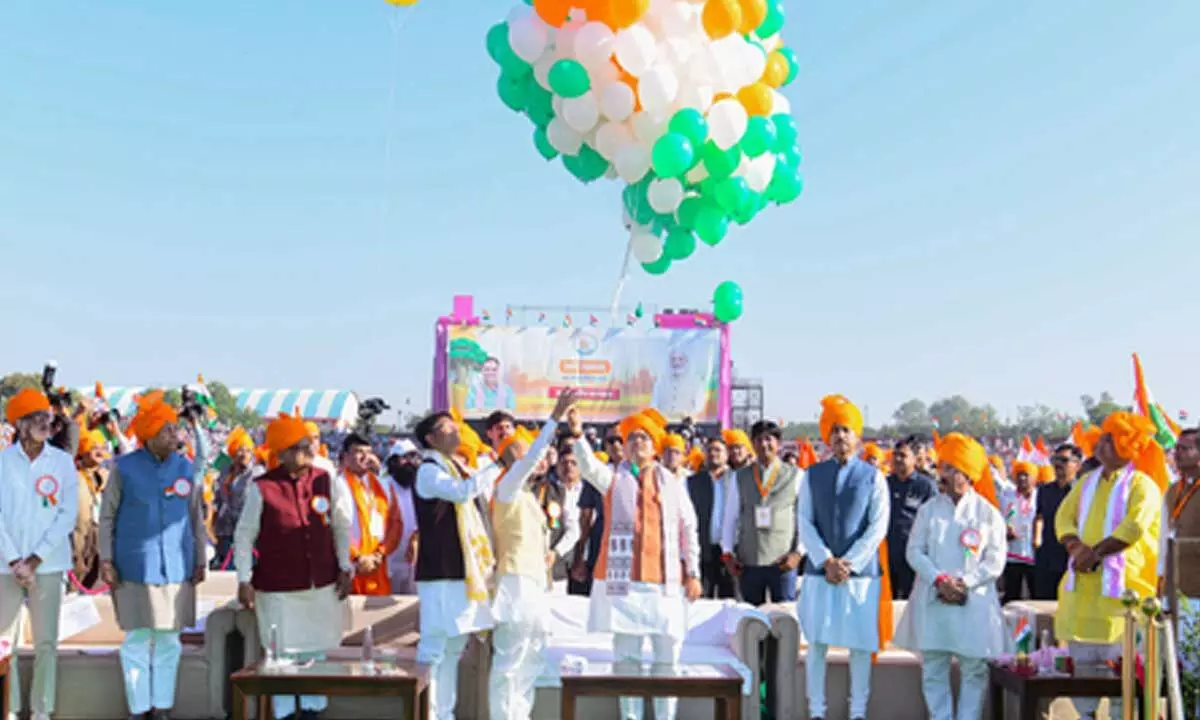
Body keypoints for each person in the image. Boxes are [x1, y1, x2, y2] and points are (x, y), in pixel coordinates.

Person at [565, 402, 703, 720]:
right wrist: (577, 433)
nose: (637, 442)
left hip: (664, 584)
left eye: (644, 437)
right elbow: (588, 466)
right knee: (626, 661)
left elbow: (689, 528)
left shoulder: (672, 482)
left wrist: (694, 572)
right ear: (624, 447)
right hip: (624, 586)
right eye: (631, 438)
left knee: (667, 659)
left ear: (655, 447)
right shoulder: (613, 478)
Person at [234, 412, 354, 720]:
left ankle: (313, 712)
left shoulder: (326, 480)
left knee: (315, 653)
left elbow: (341, 526)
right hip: (278, 588)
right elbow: (244, 535)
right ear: (283, 453)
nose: (309, 451)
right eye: (299, 447)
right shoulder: (263, 487)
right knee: (282, 656)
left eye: (308, 445)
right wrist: (244, 579)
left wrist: (345, 567)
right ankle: (285, 714)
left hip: (320, 584)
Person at [98, 392, 209, 720]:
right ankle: (139, 709)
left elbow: (195, 517)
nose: (175, 435)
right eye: (167, 430)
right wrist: (106, 559)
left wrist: (200, 558)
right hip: (134, 566)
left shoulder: (185, 467)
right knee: (137, 639)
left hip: (177, 566)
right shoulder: (124, 468)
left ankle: (161, 708)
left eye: (176, 429)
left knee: (169, 640)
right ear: (149, 435)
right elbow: (107, 516)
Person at [1055, 412, 1166, 720]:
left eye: (1108, 439)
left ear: (1127, 446)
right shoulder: (1086, 482)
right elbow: (1063, 517)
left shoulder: (1143, 486)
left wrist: (1095, 554)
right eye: (1101, 438)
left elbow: (1134, 527)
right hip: (1083, 602)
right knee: (1084, 679)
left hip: (1124, 602)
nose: (1099, 444)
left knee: (1123, 687)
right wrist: (1076, 548)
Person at [894, 433, 1006, 720]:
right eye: (943, 467)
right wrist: (940, 580)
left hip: (973, 603)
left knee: (974, 670)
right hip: (935, 599)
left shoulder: (988, 513)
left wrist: (964, 583)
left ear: (966, 474)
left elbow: (995, 561)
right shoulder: (929, 510)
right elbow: (914, 551)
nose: (942, 474)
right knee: (933, 668)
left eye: (950, 468)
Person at [795, 395, 891, 720]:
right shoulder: (811, 475)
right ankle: (816, 711)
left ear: (857, 436)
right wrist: (826, 561)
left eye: (846, 430)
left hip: (860, 576)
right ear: (827, 436)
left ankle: (858, 712)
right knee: (817, 643)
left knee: (860, 645)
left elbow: (878, 527)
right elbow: (804, 521)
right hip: (819, 572)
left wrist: (849, 563)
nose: (840, 436)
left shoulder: (873, 477)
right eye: (834, 430)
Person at [413, 411, 501, 720]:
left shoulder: (456, 467)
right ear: (430, 439)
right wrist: (497, 465)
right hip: (438, 573)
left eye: (455, 426)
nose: (455, 431)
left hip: (459, 572)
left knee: (453, 648)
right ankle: (427, 713)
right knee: (434, 649)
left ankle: (445, 713)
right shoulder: (429, 471)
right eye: (446, 428)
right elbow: (462, 493)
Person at [0, 389, 79, 720]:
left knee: (46, 642)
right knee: (5, 643)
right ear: (19, 424)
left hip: (48, 565)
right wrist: (13, 559)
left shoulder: (61, 462)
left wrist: (34, 559)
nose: (45, 423)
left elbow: (67, 514)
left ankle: (41, 710)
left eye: (46, 417)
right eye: (36, 418)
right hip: (5, 567)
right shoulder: (3, 461)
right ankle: (9, 708)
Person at [487, 395, 565, 720]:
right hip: (514, 582)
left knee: (532, 658)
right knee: (509, 660)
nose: (537, 459)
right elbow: (530, 459)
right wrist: (555, 418)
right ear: (509, 457)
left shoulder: (530, 497)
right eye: (524, 452)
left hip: (536, 585)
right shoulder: (506, 487)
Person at [720, 419, 802, 604]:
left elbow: (804, 518)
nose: (764, 444)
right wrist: (728, 553)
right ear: (753, 444)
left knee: (783, 615)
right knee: (751, 616)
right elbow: (730, 517)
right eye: (758, 440)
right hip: (749, 561)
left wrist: (798, 553)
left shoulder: (796, 475)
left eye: (768, 439)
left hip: (783, 561)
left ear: (778, 443)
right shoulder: (740, 477)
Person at [339, 433, 403, 595]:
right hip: (348, 565)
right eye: (359, 452)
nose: (365, 457)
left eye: (368, 452)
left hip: (378, 564)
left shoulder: (384, 486)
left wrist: (379, 554)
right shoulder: (335, 486)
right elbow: (331, 527)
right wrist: (357, 557)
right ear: (345, 457)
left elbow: (395, 524)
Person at [1161, 427, 1199, 677]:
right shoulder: (1174, 490)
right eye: (1176, 448)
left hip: (1197, 593)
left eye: (1185, 449)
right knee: (1178, 670)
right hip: (1175, 593)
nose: (1177, 453)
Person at [885, 437, 937, 599]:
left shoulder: (926, 485)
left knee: (912, 599)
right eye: (895, 455)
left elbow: (934, 519)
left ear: (914, 459)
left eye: (903, 455)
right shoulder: (885, 484)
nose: (897, 459)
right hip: (889, 552)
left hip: (914, 554)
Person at [687, 436, 736, 598]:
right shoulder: (692, 482)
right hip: (704, 552)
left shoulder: (737, 479)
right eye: (709, 450)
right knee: (702, 602)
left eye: (718, 450)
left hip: (731, 553)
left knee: (730, 602)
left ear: (727, 455)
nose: (713, 453)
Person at [1033, 443, 1080, 599]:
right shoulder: (1044, 490)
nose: (1058, 464)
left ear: (1077, 465)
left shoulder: (1082, 491)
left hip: (1071, 557)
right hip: (1046, 557)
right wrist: (1036, 539)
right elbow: (1039, 516)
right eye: (1055, 459)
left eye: (1064, 460)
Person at [212, 427, 260, 571]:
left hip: (247, 531)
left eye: (248, 450)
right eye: (240, 450)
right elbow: (218, 498)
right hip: (225, 530)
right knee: (226, 569)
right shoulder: (225, 472)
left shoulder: (256, 474)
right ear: (233, 453)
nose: (244, 454)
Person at [73, 428, 111, 591]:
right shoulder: (73, 474)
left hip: (99, 533)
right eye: (95, 447)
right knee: (76, 578)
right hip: (78, 536)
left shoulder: (107, 475)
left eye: (102, 448)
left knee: (96, 578)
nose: (100, 452)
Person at [383, 439, 422, 595]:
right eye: (404, 458)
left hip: (414, 560)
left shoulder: (420, 487)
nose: (410, 462)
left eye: (413, 457)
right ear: (393, 462)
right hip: (389, 559)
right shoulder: (383, 486)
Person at [999, 460, 1038, 604]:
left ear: (1034, 478)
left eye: (1026, 475)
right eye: (1019, 474)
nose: (1022, 478)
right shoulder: (1006, 496)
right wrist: (1005, 529)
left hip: (1034, 555)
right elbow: (999, 518)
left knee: (1036, 595)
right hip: (1013, 554)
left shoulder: (1040, 497)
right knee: (1011, 596)